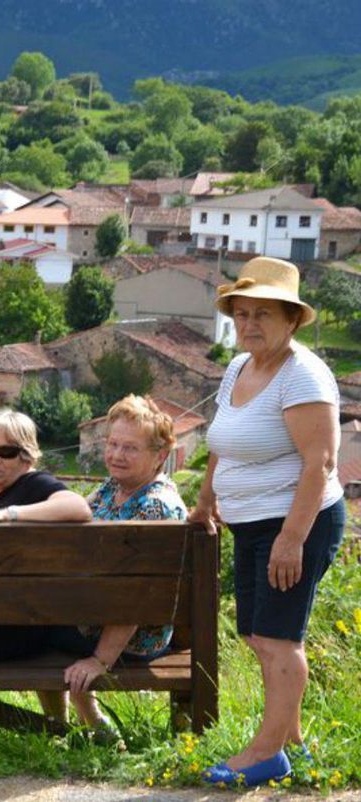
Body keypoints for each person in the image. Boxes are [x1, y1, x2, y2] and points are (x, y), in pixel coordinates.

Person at [192, 257, 344, 787]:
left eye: (264, 314)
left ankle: (265, 753)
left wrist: (292, 539)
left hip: (296, 523)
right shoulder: (240, 367)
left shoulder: (303, 376)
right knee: (259, 635)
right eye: (242, 313)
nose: (250, 324)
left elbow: (319, 463)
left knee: (280, 639)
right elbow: (222, 441)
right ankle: (294, 744)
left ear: (292, 320)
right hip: (251, 523)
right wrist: (207, 499)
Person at [49, 395, 187, 739]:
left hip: (136, 636)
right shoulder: (113, 488)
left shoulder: (156, 507)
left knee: (30, 625)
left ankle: (71, 725)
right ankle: (77, 725)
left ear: (160, 457)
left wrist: (100, 661)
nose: (116, 455)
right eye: (112, 444)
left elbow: (138, 595)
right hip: (98, 614)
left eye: (130, 448)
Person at [0, 408, 91, 721]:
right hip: (18, 624)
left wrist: (6, 515)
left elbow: (77, 506)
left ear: (27, 455)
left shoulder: (34, 484)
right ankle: (57, 725)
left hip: (6, 634)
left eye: (6, 452)